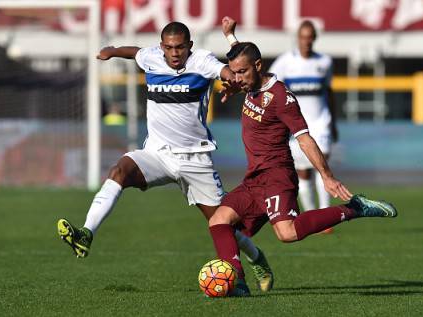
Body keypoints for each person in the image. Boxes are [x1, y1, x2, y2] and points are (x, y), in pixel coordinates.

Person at [56, 21, 274, 293]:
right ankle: (86, 233)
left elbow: (225, 70)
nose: (174, 53)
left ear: (189, 46)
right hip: (157, 154)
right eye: (169, 47)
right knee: (119, 171)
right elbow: (134, 51)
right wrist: (112, 51)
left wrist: (231, 78)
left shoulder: (202, 62)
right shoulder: (151, 58)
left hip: (195, 159)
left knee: (224, 223)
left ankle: (255, 259)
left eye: (180, 47)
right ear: (162, 47)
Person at [209, 17, 397, 296]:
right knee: (218, 222)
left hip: (277, 176)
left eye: (242, 73)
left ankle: (355, 209)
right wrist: (230, 37)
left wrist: (327, 175)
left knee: (287, 234)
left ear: (258, 67)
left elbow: (304, 138)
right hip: (255, 177)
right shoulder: (248, 79)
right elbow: (242, 55)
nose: (236, 79)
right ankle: (238, 283)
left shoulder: (281, 97)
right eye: (234, 73)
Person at [269, 20, 337, 233]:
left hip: (321, 122)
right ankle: (312, 215)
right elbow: (269, 87)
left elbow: (329, 93)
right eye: (303, 37)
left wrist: (334, 122)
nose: (306, 41)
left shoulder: (325, 62)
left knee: (322, 165)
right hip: (296, 125)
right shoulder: (284, 62)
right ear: (297, 38)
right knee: (304, 172)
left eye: (310, 37)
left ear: (314, 38)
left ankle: (326, 216)